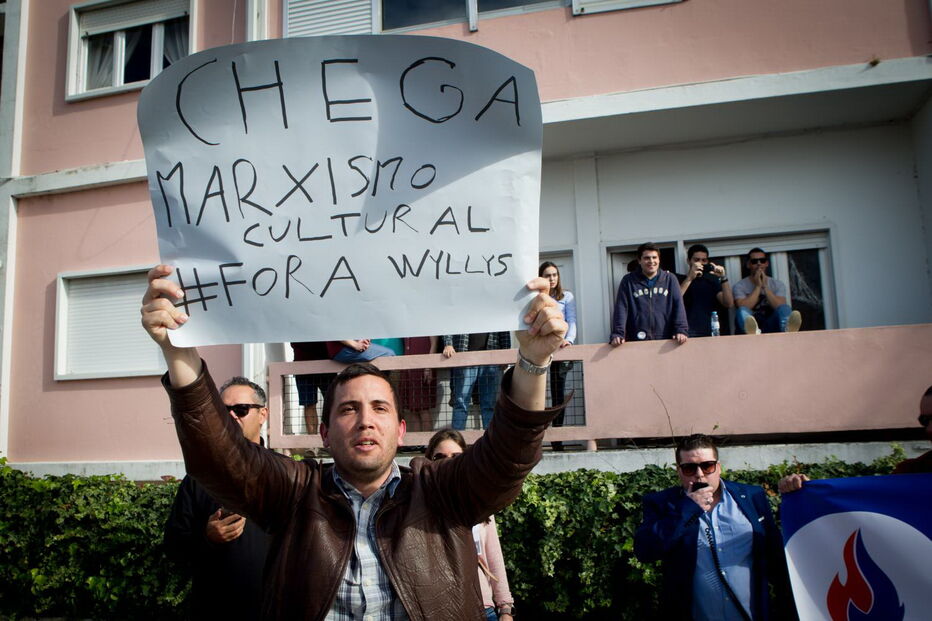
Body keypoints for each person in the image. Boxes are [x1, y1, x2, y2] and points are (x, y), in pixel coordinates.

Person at [141, 265, 567, 618]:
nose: (365, 420)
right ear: (324, 433)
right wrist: (178, 352)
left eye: (380, 408)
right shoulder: (292, 494)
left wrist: (533, 362)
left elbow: (507, 457)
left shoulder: (442, 493)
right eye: (348, 409)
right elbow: (221, 458)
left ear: (401, 431)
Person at [634, 434, 796, 621]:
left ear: (718, 467)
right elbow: (645, 551)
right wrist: (688, 508)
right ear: (679, 471)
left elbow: (776, 557)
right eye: (689, 468)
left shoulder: (752, 496)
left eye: (707, 466)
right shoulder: (663, 503)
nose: (700, 474)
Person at [163, 376, 279, 621]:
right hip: (214, 609)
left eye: (241, 409)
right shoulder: (200, 477)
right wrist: (207, 537)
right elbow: (174, 547)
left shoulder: (285, 474)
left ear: (263, 414)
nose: (232, 416)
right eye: (224, 410)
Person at [424, 429, 515, 621]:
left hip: (484, 608)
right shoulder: (420, 505)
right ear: (429, 461)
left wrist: (505, 609)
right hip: (440, 611)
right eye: (439, 456)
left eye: (456, 456)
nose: (447, 461)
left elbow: (494, 558)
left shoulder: (479, 504)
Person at [610, 242, 688, 346]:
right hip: (636, 340)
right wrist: (618, 333)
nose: (651, 261)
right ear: (639, 260)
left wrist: (681, 330)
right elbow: (621, 308)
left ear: (659, 260)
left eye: (654, 257)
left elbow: (678, 305)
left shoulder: (670, 279)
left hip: (667, 341)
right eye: (647, 258)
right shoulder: (628, 281)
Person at [441, 331, 512, 430]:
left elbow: (503, 330)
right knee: (461, 402)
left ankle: (490, 440)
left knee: (489, 404)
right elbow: (449, 323)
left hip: (490, 358)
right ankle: (457, 440)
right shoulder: (457, 314)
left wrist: (505, 353)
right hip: (464, 358)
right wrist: (448, 344)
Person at [540, 261, 575, 450]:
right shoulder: (537, 298)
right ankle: (537, 439)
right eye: (547, 275)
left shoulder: (566, 296)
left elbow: (572, 320)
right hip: (542, 352)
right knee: (536, 396)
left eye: (554, 275)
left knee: (558, 395)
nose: (551, 279)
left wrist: (569, 339)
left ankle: (557, 440)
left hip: (560, 352)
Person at [733, 248, 802, 335]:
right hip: (752, 326)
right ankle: (753, 332)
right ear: (748, 265)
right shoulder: (740, 286)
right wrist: (758, 287)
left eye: (762, 260)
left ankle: (787, 330)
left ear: (766, 263)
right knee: (742, 311)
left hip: (771, 324)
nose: (759, 264)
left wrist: (765, 286)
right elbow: (743, 307)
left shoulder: (777, 284)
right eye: (754, 261)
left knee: (785, 308)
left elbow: (780, 306)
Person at [678, 244, 734, 337]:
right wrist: (690, 278)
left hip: (711, 332)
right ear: (688, 261)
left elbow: (728, 303)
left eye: (704, 260)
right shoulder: (680, 280)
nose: (700, 263)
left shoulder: (712, 281)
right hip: (688, 333)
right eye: (696, 260)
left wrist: (723, 278)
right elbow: (675, 300)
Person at [289, 341, 335, 436]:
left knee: (332, 403)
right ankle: (312, 445)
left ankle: (331, 438)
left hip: (327, 365)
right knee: (309, 404)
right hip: (303, 365)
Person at [399, 336, 440, 432]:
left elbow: (434, 343)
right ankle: (417, 445)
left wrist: (428, 367)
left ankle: (426, 443)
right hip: (408, 369)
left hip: (423, 369)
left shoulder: (426, 322)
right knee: (412, 410)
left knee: (423, 409)